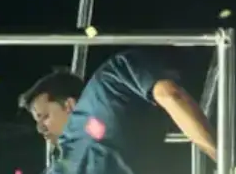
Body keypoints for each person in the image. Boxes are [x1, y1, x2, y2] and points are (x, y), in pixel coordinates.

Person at [18, 50, 217, 174]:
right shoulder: (63, 157)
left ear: (69, 105)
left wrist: (221, 157)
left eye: (44, 117)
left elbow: (170, 95)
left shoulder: (110, 79)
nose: (40, 128)